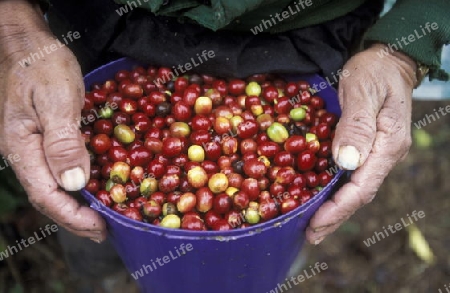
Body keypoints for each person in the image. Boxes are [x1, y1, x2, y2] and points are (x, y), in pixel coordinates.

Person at [0, 0, 448, 291]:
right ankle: (113, 276)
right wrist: (15, 29)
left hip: (311, 37)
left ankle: (267, 273)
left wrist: (402, 49)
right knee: (87, 216)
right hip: (94, 33)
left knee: (279, 242)